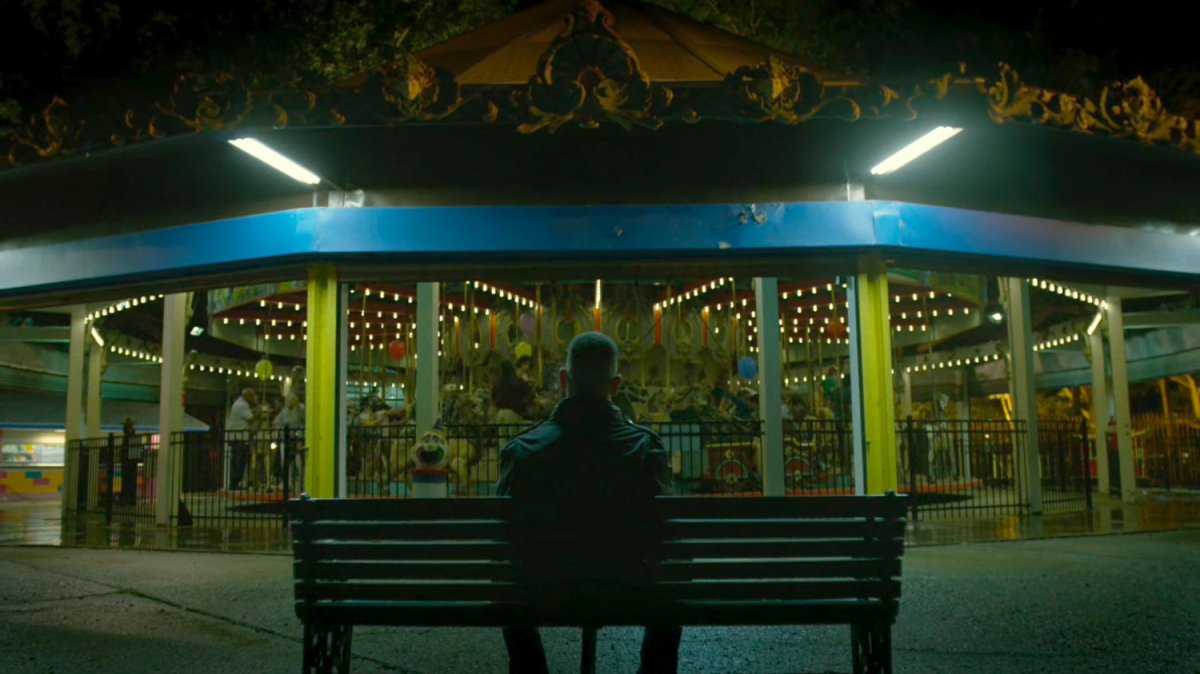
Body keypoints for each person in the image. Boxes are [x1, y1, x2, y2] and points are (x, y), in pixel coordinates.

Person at [497, 332, 680, 674]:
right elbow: (668, 536)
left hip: (544, 589)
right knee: (672, 586)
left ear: (564, 380)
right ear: (616, 386)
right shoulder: (645, 448)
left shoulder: (522, 451)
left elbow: (502, 538)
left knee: (509, 586)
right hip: (628, 587)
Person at [225, 388, 257, 490]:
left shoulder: (238, 404)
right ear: (247, 396)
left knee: (237, 461)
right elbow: (251, 418)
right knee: (239, 461)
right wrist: (258, 412)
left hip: (238, 437)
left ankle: (235, 483)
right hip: (240, 438)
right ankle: (234, 483)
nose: (253, 398)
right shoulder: (242, 405)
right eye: (252, 396)